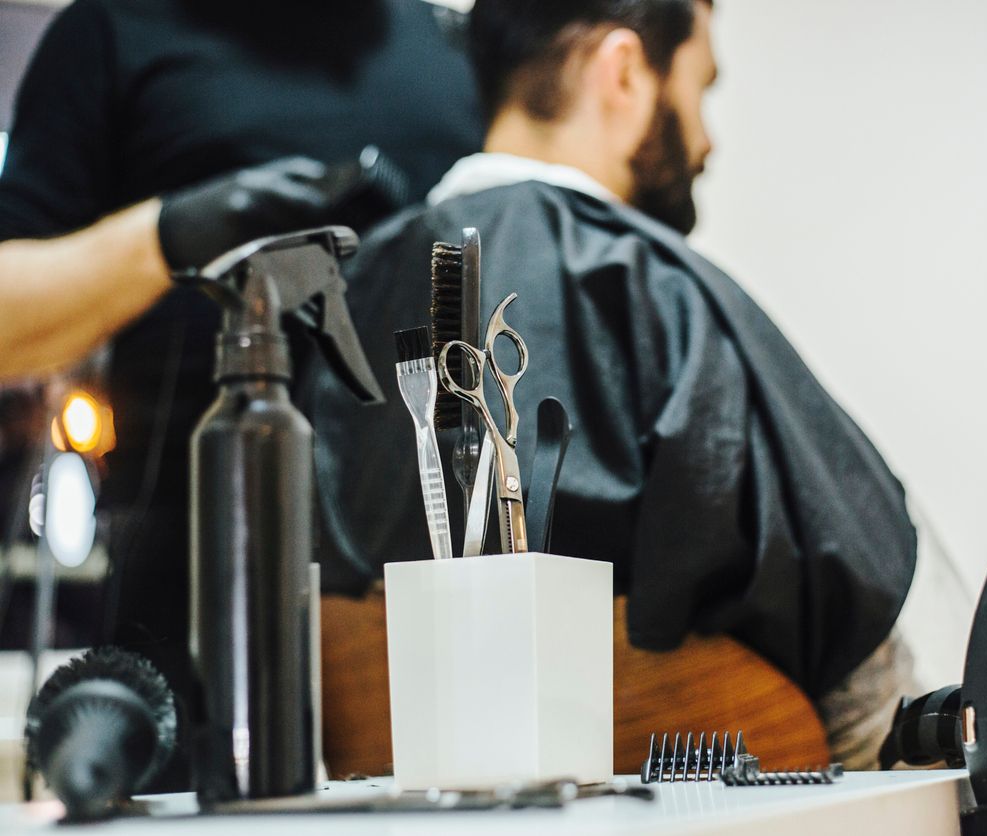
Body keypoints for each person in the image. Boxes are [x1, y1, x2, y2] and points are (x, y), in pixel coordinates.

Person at [312, 0, 917, 767]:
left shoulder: (347, 293)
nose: (705, 141)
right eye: (700, 91)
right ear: (624, 72)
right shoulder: (651, 284)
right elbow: (866, 699)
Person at [0, 0, 482, 787]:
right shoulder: (114, 33)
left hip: (422, 589)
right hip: (193, 584)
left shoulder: (455, 47)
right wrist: (169, 235)